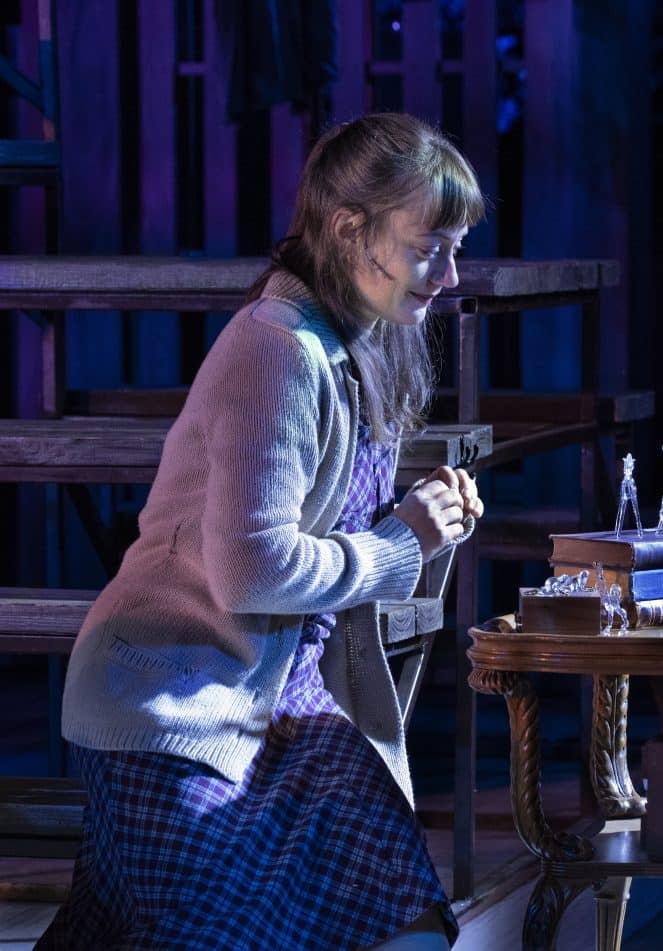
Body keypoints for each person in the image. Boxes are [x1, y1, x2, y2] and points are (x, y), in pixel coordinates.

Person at [38, 112, 486, 950]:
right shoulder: (275, 348)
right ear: (352, 231)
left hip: (282, 706)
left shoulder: (350, 345)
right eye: (432, 245)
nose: (452, 274)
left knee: (410, 919)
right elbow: (249, 570)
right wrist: (398, 545)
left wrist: (420, 525)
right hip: (177, 699)